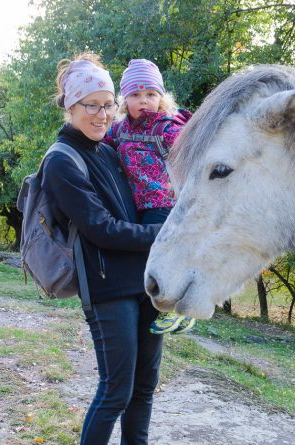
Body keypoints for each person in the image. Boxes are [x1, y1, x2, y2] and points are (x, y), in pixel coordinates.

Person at [46, 52, 163, 445]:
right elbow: (102, 229)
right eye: (91, 106)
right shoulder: (62, 160)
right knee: (115, 392)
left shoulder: (111, 151)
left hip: (143, 283)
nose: (102, 114)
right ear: (70, 106)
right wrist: (163, 236)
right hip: (107, 287)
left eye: (109, 105)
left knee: (144, 388)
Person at [103, 58, 195, 335]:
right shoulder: (120, 130)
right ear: (124, 100)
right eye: (135, 95)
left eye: (151, 95)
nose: (144, 101)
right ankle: (156, 307)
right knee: (145, 261)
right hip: (138, 204)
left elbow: (193, 147)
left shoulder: (165, 128)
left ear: (161, 99)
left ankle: (183, 308)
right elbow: (99, 143)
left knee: (158, 258)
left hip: (165, 202)